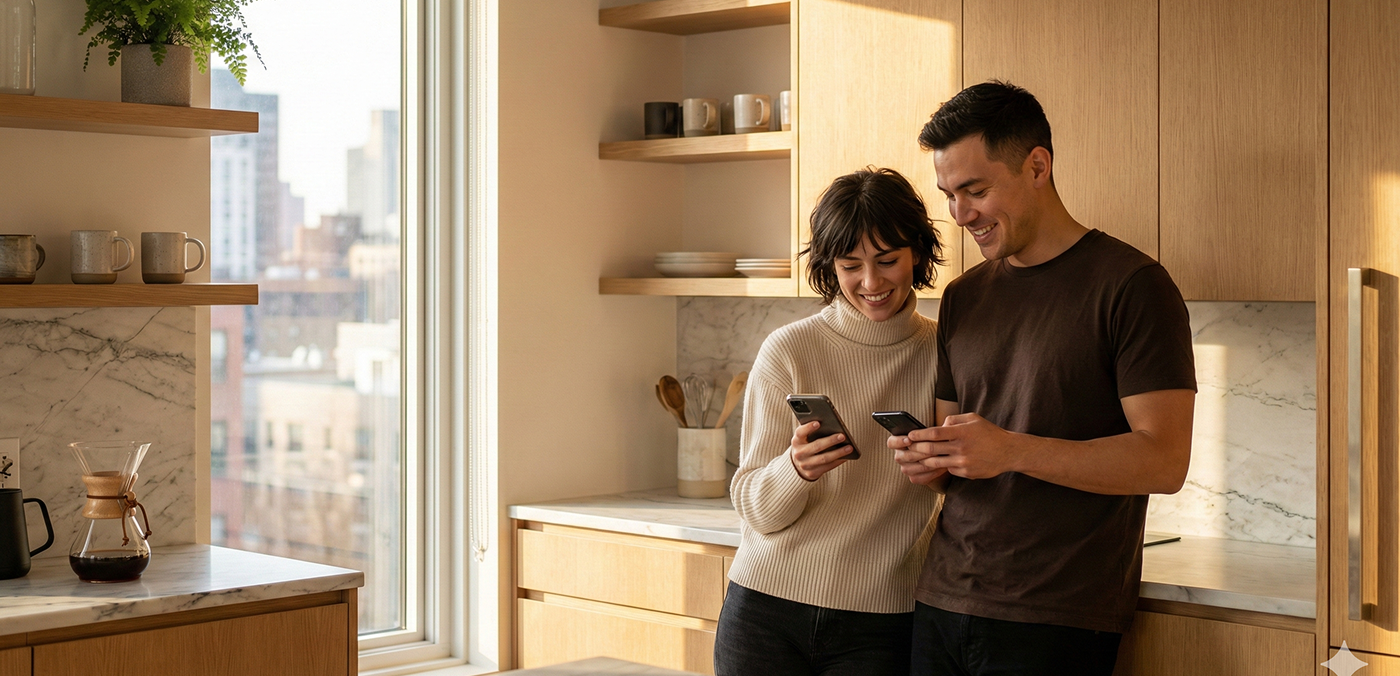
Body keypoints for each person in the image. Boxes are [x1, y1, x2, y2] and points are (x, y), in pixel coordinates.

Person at [890, 80, 1197, 675]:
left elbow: (1164, 461)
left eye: (975, 191)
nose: (960, 216)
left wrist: (1009, 450)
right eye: (949, 195)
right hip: (941, 598)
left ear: (1037, 166)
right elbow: (961, 455)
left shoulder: (1133, 287)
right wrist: (930, 461)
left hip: (1057, 616)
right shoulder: (962, 297)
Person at [714, 167, 946, 676]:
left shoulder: (943, 352)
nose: (871, 282)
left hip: (882, 621)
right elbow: (753, 505)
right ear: (829, 268)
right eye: (850, 266)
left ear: (917, 254)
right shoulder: (790, 349)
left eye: (887, 261)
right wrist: (794, 469)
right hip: (764, 608)